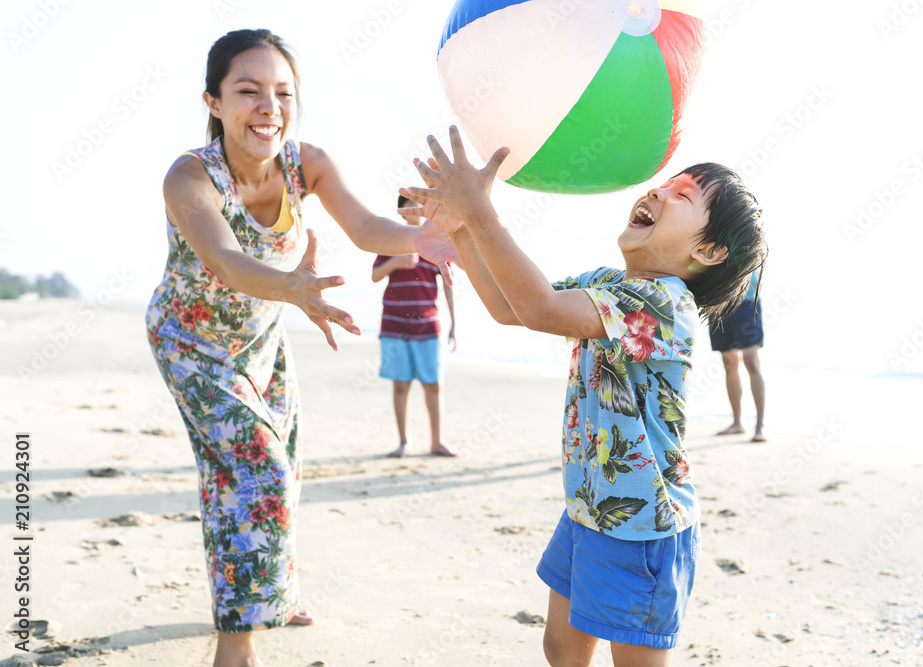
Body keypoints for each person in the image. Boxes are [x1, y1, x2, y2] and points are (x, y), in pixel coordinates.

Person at [144, 30, 457, 667]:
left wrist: (426, 241)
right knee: (251, 469)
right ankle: (236, 644)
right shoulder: (189, 177)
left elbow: (369, 226)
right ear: (213, 101)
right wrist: (296, 288)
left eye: (283, 93)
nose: (269, 107)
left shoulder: (305, 164)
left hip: (262, 339)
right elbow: (225, 262)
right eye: (248, 91)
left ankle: (274, 595)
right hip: (192, 344)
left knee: (282, 472)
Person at [401, 127, 767, 666]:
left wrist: (481, 214)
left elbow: (541, 307)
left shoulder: (666, 306)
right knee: (561, 650)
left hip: (644, 526)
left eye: (681, 196)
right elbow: (514, 305)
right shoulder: (607, 284)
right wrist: (461, 233)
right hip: (587, 508)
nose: (657, 192)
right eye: (663, 184)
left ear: (709, 251)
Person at [372, 195, 458, 458]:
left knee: (433, 384)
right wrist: (396, 262)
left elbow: (448, 285)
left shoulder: (434, 241)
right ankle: (403, 441)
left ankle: (437, 441)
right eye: (408, 205)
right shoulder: (391, 240)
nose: (414, 209)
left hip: (429, 326)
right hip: (394, 325)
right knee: (400, 384)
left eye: (418, 204)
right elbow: (375, 275)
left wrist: (454, 324)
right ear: (401, 211)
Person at [710, 268, 766, 442]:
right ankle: (737, 422)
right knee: (729, 363)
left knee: (751, 361)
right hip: (718, 304)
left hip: (747, 302)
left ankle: (760, 425)